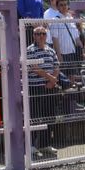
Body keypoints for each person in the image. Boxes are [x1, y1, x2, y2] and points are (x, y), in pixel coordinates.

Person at [25, 26, 60, 157]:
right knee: (35, 117)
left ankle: (45, 144)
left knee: (49, 116)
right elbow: (34, 68)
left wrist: (53, 80)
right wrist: (50, 78)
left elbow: (56, 65)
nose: (41, 36)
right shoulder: (29, 50)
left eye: (43, 33)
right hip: (35, 88)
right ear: (34, 36)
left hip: (50, 87)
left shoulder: (50, 50)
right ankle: (32, 146)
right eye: (38, 33)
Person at [48, 0, 84, 79]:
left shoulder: (71, 19)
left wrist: (82, 50)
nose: (64, 6)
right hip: (63, 54)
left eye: (65, 4)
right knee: (64, 78)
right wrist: (59, 55)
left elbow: (76, 37)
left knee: (73, 77)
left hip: (73, 53)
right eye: (61, 5)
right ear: (57, 7)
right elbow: (55, 39)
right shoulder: (55, 20)